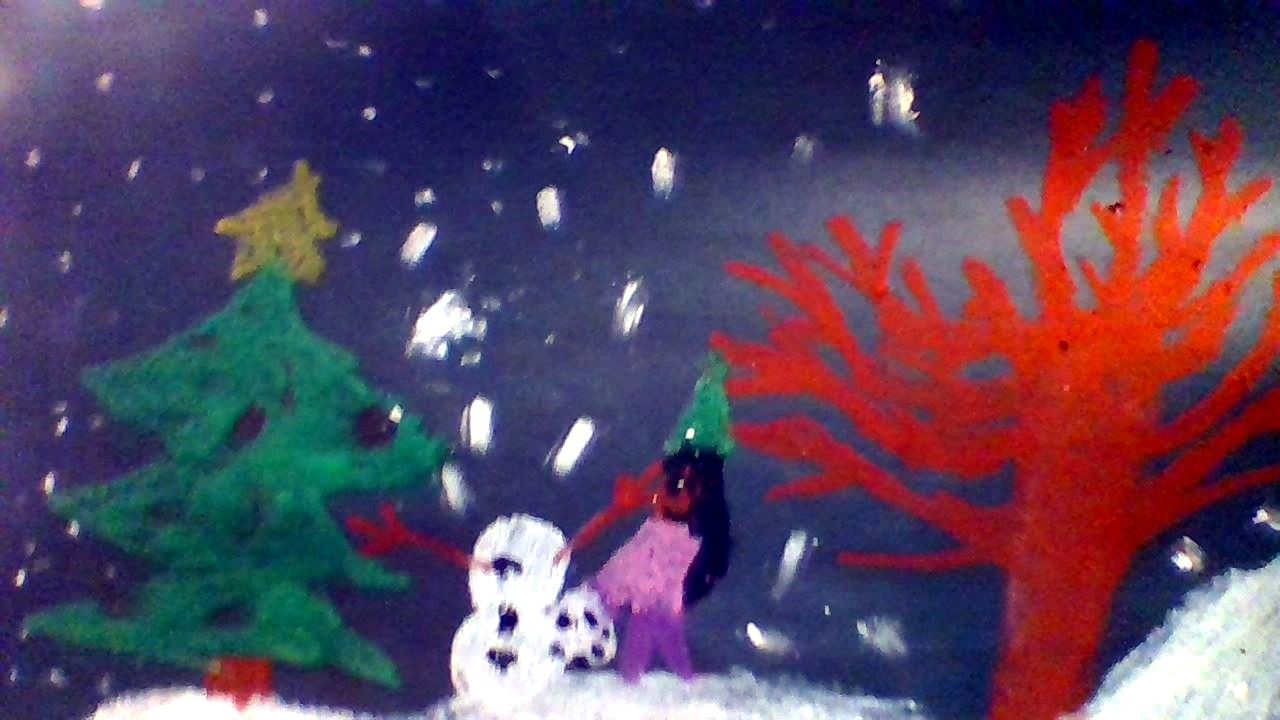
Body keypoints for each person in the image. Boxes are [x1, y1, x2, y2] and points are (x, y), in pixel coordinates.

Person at [587, 444, 732, 683]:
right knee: (654, 619)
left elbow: (677, 504)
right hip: (661, 546)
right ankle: (658, 675)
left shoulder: (694, 491)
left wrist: (647, 493)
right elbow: (661, 497)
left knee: (656, 620)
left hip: (671, 548)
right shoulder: (682, 486)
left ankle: (660, 675)